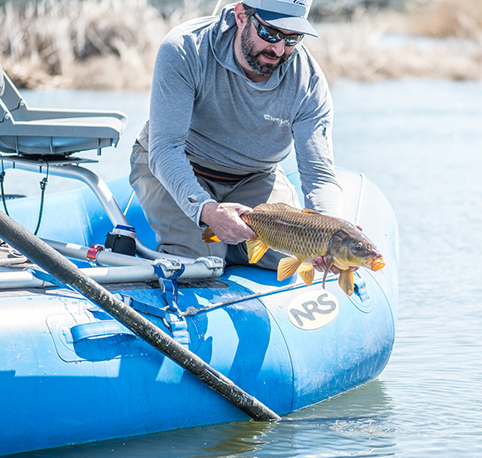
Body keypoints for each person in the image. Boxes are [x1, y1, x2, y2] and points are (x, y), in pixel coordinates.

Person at [129, 0, 343, 273]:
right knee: (202, 265)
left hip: (255, 176)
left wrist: (332, 231)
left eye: (292, 38)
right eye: (270, 33)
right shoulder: (184, 48)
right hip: (181, 165)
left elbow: (319, 176)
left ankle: (232, 244)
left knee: (296, 256)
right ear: (241, 15)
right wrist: (207, 210)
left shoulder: (309, 83)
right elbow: (166, 149)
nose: (278, 49)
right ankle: (210, 244)